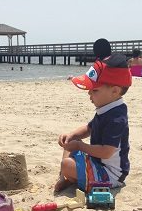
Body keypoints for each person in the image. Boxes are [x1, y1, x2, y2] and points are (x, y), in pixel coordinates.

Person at [54, 53, 132, 193]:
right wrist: (71, 135)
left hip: (110, 175)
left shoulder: (116, 118)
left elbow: (107, 152)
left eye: (94, 90)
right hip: (97, 162)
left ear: (115, 90)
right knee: (70, 143)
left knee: (67, 163)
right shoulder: (107, 108)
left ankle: (70, 176)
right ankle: (65, 177)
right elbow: (89, 128)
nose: (89, 93)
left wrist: (79, 146)